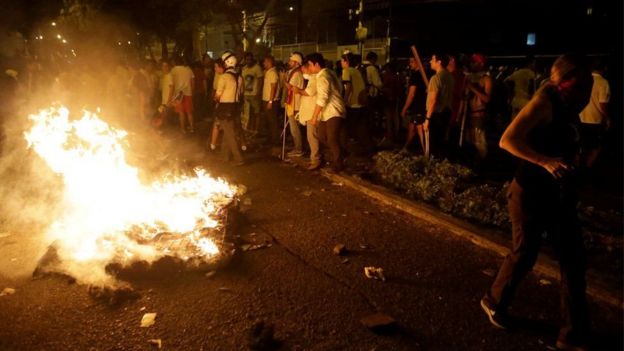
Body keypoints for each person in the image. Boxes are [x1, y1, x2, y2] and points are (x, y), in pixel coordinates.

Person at [480, 53, 593, 351]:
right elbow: (507, 140)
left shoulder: (570, 107)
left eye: (589, 87)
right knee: (525, 253)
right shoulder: (545, 103)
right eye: (581, 86)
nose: (586, 94)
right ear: (563, 83)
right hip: (529, 192)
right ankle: (493, 300)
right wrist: (545, 162)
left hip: (559, 196)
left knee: (574, 260)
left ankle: (572, 335)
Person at [302, 53, 346, 172]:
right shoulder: (328, 73)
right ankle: (338, 154)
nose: (309, 69)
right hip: (328, 112)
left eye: (309, 65)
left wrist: (314, 117)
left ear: (315, 64)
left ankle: (338, 164)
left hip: (333, 111)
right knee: (322, 136)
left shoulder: (323, 76)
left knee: (331, 138)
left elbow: (322, 98)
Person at [578, 58, 610, 169]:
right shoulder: (603, 82)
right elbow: (603, 103)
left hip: (581, 117)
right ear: (604, 68)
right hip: (595, 119)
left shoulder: (583, 80)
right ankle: (586, 169)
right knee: (595, 147)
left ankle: (579, 167)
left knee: (583, 146)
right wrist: (608, 118)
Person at [214, 52, 244, 165]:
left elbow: (217, 96)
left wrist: (215, 99)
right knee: (228, 132)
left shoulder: (224, 77)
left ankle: (239, 158)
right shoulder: (239, 77)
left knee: (230, 134)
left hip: (225, 107)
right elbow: (241, 93)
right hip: (235, 107)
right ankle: (224, 156)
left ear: (227, 63)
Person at [424, 53, 454, 157]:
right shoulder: (449, 76)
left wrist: (427, 119)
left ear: (439, 62)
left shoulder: (436, 78)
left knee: (433, 144)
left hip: (436, 114)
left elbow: (433, 101)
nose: (430, 61)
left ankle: (432, 165)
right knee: (441, 141)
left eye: (432, 59)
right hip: (446, 112)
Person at [401, 57, 428, 153]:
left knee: (418, 129)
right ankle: (406, 147)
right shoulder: (426, 74)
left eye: (412, 61)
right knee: (412, 127)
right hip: (422, 105)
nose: (410, 64)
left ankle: (425, 151)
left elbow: (411, 94)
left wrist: (404, 108)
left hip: (418, 106)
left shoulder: (416, 76)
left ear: (418, 62)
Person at [504, 55, 537, 120]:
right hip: (525, 102)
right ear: (530, 63)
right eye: (534, 63)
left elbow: (506, 81)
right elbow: (531, 88)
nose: (535, 65)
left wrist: (511, 93)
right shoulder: (531, 73)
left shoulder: (517, 73)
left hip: (515, 102)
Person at [170, 56, 195, 133]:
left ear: (175, 62)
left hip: (178, 94)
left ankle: (183, 129)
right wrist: (192, 91)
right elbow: (193, 81)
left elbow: (172, 84)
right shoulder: (188, 69)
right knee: (189, 112)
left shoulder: (173, 70)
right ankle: (191, 128)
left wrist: (171, 96)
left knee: (181, 113)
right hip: (188, 93)